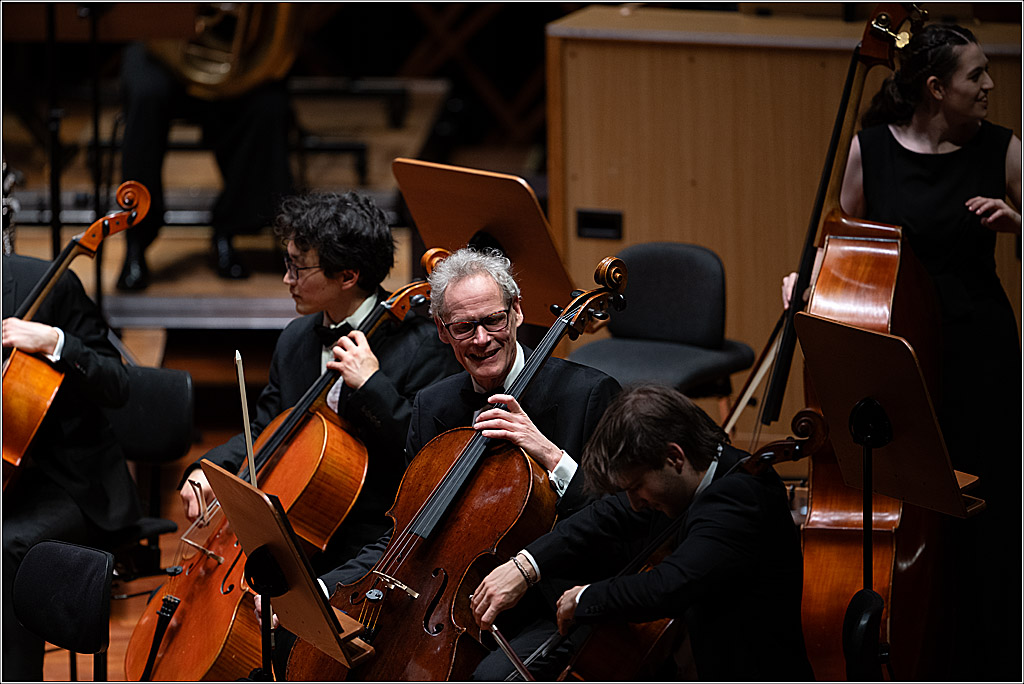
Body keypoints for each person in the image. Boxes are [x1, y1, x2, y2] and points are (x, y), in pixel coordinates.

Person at [782, 23, 1021, 680]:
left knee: (988, 509)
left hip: (981, 356)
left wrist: (1019, 223)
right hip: (900, 353)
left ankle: (993, 659)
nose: (991, 86)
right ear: (937, 87)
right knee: (908, 499)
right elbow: (850, 253)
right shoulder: (870, 151)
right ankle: (914, 647)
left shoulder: (1004, 151)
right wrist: (807, 281)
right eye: (977, 74)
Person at [266, 246, 621, 679]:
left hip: (546, 597)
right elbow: (402, 533)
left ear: (516, 313)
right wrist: (320, 589)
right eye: (464, 327)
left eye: (493, 320)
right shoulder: (433, 406)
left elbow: (619, 516)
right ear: (441, 329)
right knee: (308, 642)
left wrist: (549, 454)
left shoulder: (587, 395)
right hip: (443, 606)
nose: (482, 339)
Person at [179, 191, 461, 571]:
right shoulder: (296, 337)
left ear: (347, 276)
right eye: (287, 263)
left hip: (375, 542)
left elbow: (427, 457)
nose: (286, 279)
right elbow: (265, 428)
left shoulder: (424, 345)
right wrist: (209, 468)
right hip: (292, 524)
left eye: (298, 268)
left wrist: (372, 385)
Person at [469, 384, 814, 681]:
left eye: (636, 487)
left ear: (674, 457)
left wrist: (584, 598)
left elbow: (668, 587)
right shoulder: (701, 478)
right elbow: (609, 514)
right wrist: (526, 566)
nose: (634, 503)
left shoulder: (738, 497)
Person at [3, 253, 142, 681]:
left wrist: (55, 342)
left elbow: (118, 383)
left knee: (6, 548)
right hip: (8, 476)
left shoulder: (47, 282)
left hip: (69, 481)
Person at [115, 39, 294, 290]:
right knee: (146, 94)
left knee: (268, 105)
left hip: (235, 48)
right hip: (163, 46)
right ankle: (136, 240)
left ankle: (229, 229)